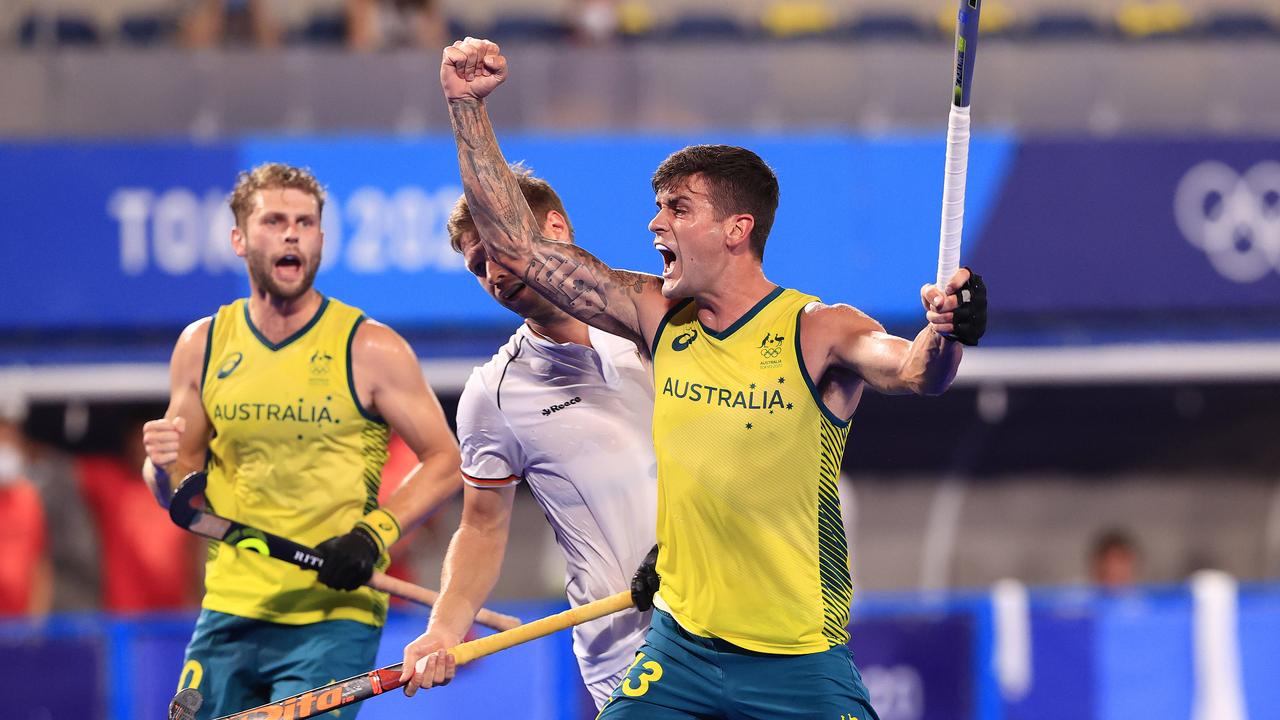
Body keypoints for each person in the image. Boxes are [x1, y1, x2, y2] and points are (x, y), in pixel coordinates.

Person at [435, 38, 989, 719]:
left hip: (798, 659)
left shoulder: (818, 330)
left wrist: (949, 329)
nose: (654, 222)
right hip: (680, 650)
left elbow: (915, 371)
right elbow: (520, 250)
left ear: (736, 229)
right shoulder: (656, 318)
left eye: (676, 208)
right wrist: (468, 107)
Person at [141, 162, 462, 719]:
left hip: (332, 615)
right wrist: (160, 467)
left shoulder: (371, 349)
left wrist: (371, 536)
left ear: (321, 238)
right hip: (229, 611)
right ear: (239, 239)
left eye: (306, 223)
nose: (292, 233)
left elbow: (446, 461)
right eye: (274, 221)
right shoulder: (203, 344)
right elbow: (180, 494)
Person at [399, 166, 658, 709]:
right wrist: (444, 629)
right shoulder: (493, 392)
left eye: (500, 248)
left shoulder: (665, 319)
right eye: (477, 266)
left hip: (735, 620)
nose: (493, 273)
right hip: (631, 655)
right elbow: (481, 526)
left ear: (557, 230)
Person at [77, 413, 200, 612]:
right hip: (127, 615)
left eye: (155, 442)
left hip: (174, 613)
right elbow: (73, 456)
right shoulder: (110, 482)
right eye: (141, 440)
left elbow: (191, 553)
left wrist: (191, 603)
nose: (145, 449)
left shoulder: (184, 490)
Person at [0, 396, 52, 616]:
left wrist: (35, 624)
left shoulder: (28, 497)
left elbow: (40, 565)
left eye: (10, 436)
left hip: (21, 627)